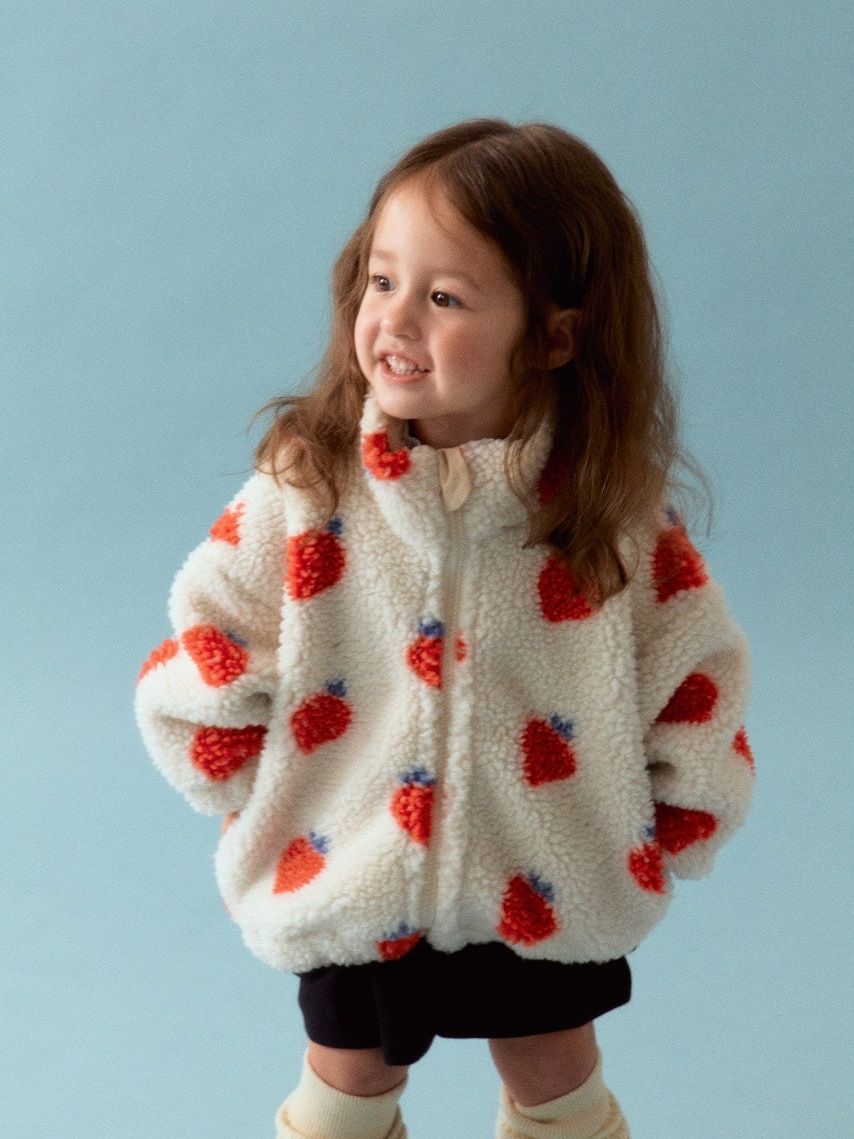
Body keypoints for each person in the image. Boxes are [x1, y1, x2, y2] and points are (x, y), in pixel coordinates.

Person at [134, 118, 756, 1139]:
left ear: (555, 336)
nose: (393, 318)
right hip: (350, 861)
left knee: (554, 1066)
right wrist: (247, 774)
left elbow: (691, 666)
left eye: (444, 297)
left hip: (551, 867)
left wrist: (685, 804)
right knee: (348, 1072)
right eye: (381, 280)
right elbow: (209, 635)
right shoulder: (306, 490)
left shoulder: (609, 516)